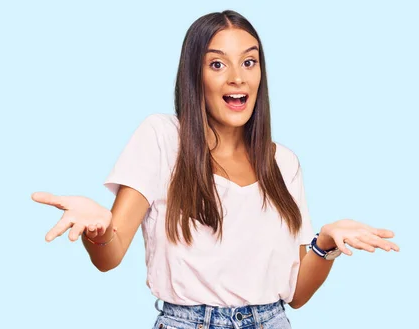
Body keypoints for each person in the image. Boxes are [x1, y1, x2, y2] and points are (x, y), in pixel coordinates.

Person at [32, 10, 399, 329]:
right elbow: (109, 258)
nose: (237, 77)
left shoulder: (283, 163)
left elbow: (297, 294)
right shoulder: (163, 138)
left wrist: (325, 243)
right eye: (217, 64)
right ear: (196, 76)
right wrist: (98, 230)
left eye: (249, 62)